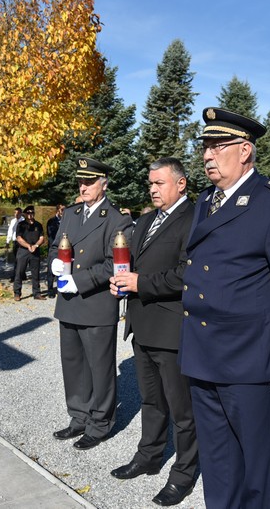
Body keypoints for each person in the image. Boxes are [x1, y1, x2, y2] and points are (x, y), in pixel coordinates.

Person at [179, 107, 270, 508]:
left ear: (245, 151)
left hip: (248, 358)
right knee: (217, 459)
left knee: (255, 463)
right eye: (205, 147)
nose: (207, 156)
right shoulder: (206, 201)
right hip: (203, 352)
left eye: (218, 146)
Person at [109, 157, 198, 506]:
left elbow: (185, 274)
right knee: (151, 400)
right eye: (151, 183)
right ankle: (148, 456)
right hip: (142, 325)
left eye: (159, 183)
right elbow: (129, 264)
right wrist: (121, 281)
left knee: (182, 409)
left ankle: (184, 473)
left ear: (181, 184)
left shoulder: (193, 220)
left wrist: (139, 282)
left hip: (172, 328)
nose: (152, 189)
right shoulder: (144, 220)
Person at [49, 157, 133, 450]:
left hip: (95, 303)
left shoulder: (116, 218)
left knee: (100, 368)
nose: (83, 187)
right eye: (80, 181)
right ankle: (79, 416)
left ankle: (100, 423)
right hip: (68, 300)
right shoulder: (71, 214)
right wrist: (54, 267)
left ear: (103, 184)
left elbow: (116, 263)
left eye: (89, 182)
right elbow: (55, 246)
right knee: (72, 364)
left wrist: (80, 281)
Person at [13, 206, 46, 301]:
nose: (30, 215)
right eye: (28, 213)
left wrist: (36, 245)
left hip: (35, 251)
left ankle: (37, 293)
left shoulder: (38, 225)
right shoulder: (21, 225)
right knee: (19, 272)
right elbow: (19, 238)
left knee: (36, 273)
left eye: (32, 213)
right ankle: (17, 293)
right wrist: (28, 246)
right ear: (25, 214)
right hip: (23, 251)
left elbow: (41, 238)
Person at [46, 204, 64, 297]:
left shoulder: (66, 221)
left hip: (63, 249)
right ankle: (50, 290)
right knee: (50, 270)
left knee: (61, 269)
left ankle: (61, 289)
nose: (63, 211)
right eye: (62, 209)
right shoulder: (51, 221)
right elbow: (50, 235)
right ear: (58, 210)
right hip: (54, 248)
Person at [5, 207, 22, 278]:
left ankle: (18, 274)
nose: (16, 215)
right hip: (15, 241)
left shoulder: (23, 221)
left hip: (21, 242)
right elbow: (10, 231)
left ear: (21, 213)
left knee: (20, 259)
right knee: (16, 259)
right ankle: (17, 274)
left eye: (18, 213)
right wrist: (7, 241)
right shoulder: (13, 221)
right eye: (15, 213)